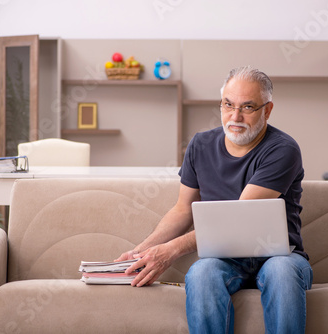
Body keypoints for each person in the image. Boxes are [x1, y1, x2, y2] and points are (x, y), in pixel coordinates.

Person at [116, 66, 313, 333]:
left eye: (248, 107)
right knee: (201, 273)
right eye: (228, 105)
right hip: (224, 258)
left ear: (267, 110)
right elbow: (182, 210)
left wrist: (170, 251)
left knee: (281, 272)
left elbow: (241, 218)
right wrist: (141, 252)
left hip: (280, 255)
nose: (235, 116)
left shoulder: (283, 149)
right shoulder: (200, 145)